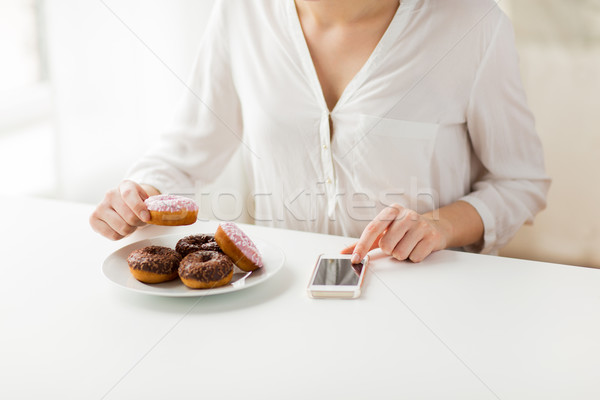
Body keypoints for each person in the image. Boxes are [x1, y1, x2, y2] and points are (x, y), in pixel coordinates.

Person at [90, 0, 550, 263]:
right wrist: (137, 195)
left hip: (429, 296)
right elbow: (187, 149)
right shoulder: (241, 15)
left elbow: (520, 182)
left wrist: (440, 225)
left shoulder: (472, 25)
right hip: (281, 292)